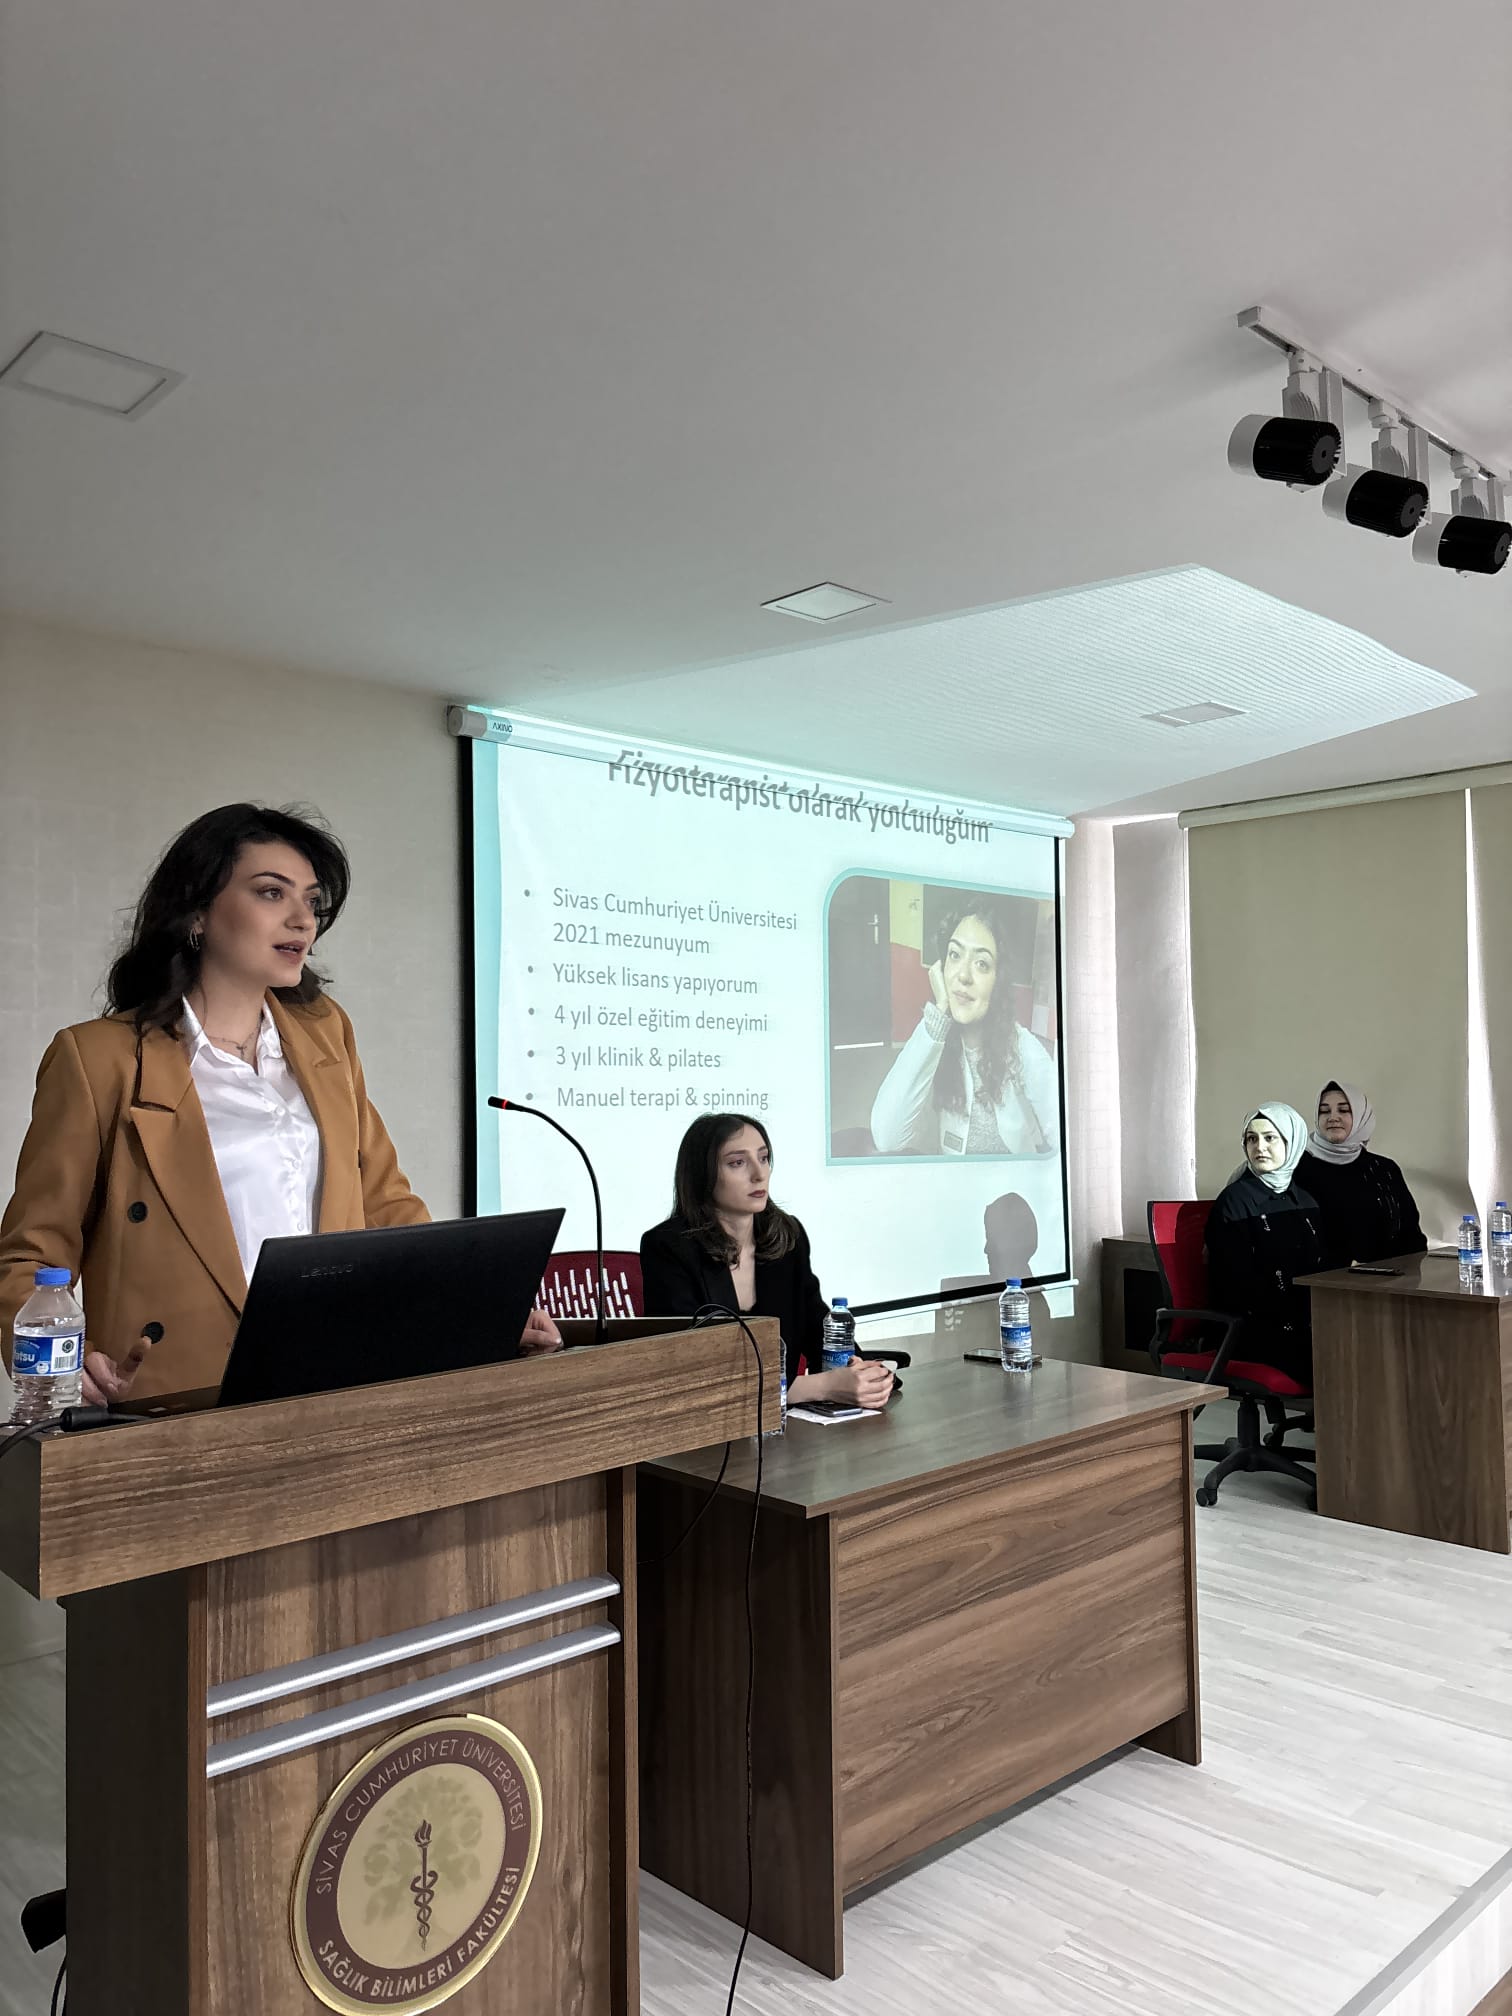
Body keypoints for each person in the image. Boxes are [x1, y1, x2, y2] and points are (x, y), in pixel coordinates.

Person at [0, 803, 560, 1404]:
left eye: (311, 901)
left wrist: (479, 1303)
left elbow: (383, 1202)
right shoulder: (99, 1059)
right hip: (175, 1397)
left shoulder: (326, 1036)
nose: (302, 920)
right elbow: (30, 1253)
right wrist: (61, 1365)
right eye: (272, 893)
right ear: (196, 912)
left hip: (337, 1380)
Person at [640, 1113, 893, 1409]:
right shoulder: (668, 1247)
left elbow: (817, 1325)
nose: (759, 1174)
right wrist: (824, 1386)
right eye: (738, 1162)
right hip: (708, 1425)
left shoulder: (786, 1236)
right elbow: (695, 1379)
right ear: (702, 1174)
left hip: (786, 1427)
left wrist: (859, 1372)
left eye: (763, 1158)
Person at [870, 902, 1059, 1157]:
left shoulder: (1022, 1046)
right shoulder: (935, 1041)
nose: (963, 976)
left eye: (981, 964)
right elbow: (886, 1137)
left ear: (998, 981)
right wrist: (939, 1015)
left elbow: (1069, 1136)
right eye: (955, 955)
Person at [1205, 1102, 1325, 1387]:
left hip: (1301, 1321)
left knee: (1359, 1341)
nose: (1259, 1147)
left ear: (1292, 1142)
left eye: (1270, 1138)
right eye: (1252, 1138)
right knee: (1336, 1357)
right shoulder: (1234, 1201)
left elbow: (1320, 1266)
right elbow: (1236, 1283)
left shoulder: (1305, 1201)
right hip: (1249, 1329)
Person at [1297, 1080, 1425, 1266]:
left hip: (1388, 1279)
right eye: (1324, 1111)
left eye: (1344, 1110)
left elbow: (1411, 1235)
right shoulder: (1296, 1168)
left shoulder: (1384, 1169)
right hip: (1318, 1281)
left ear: (1361, 1116)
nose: (1333, 1117)